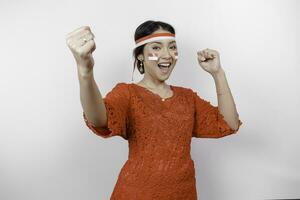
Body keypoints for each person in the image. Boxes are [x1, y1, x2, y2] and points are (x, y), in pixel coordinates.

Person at [66, 20, 243, 200]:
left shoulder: (188, 98)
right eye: (156, 48)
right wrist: (85, 72)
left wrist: (218, 73)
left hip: (183, 194)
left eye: (172, 47)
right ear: (141, 56)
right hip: (135, 193)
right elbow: (98, 119)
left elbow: (230, 124)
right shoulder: (127, 93)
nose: (167, 54)